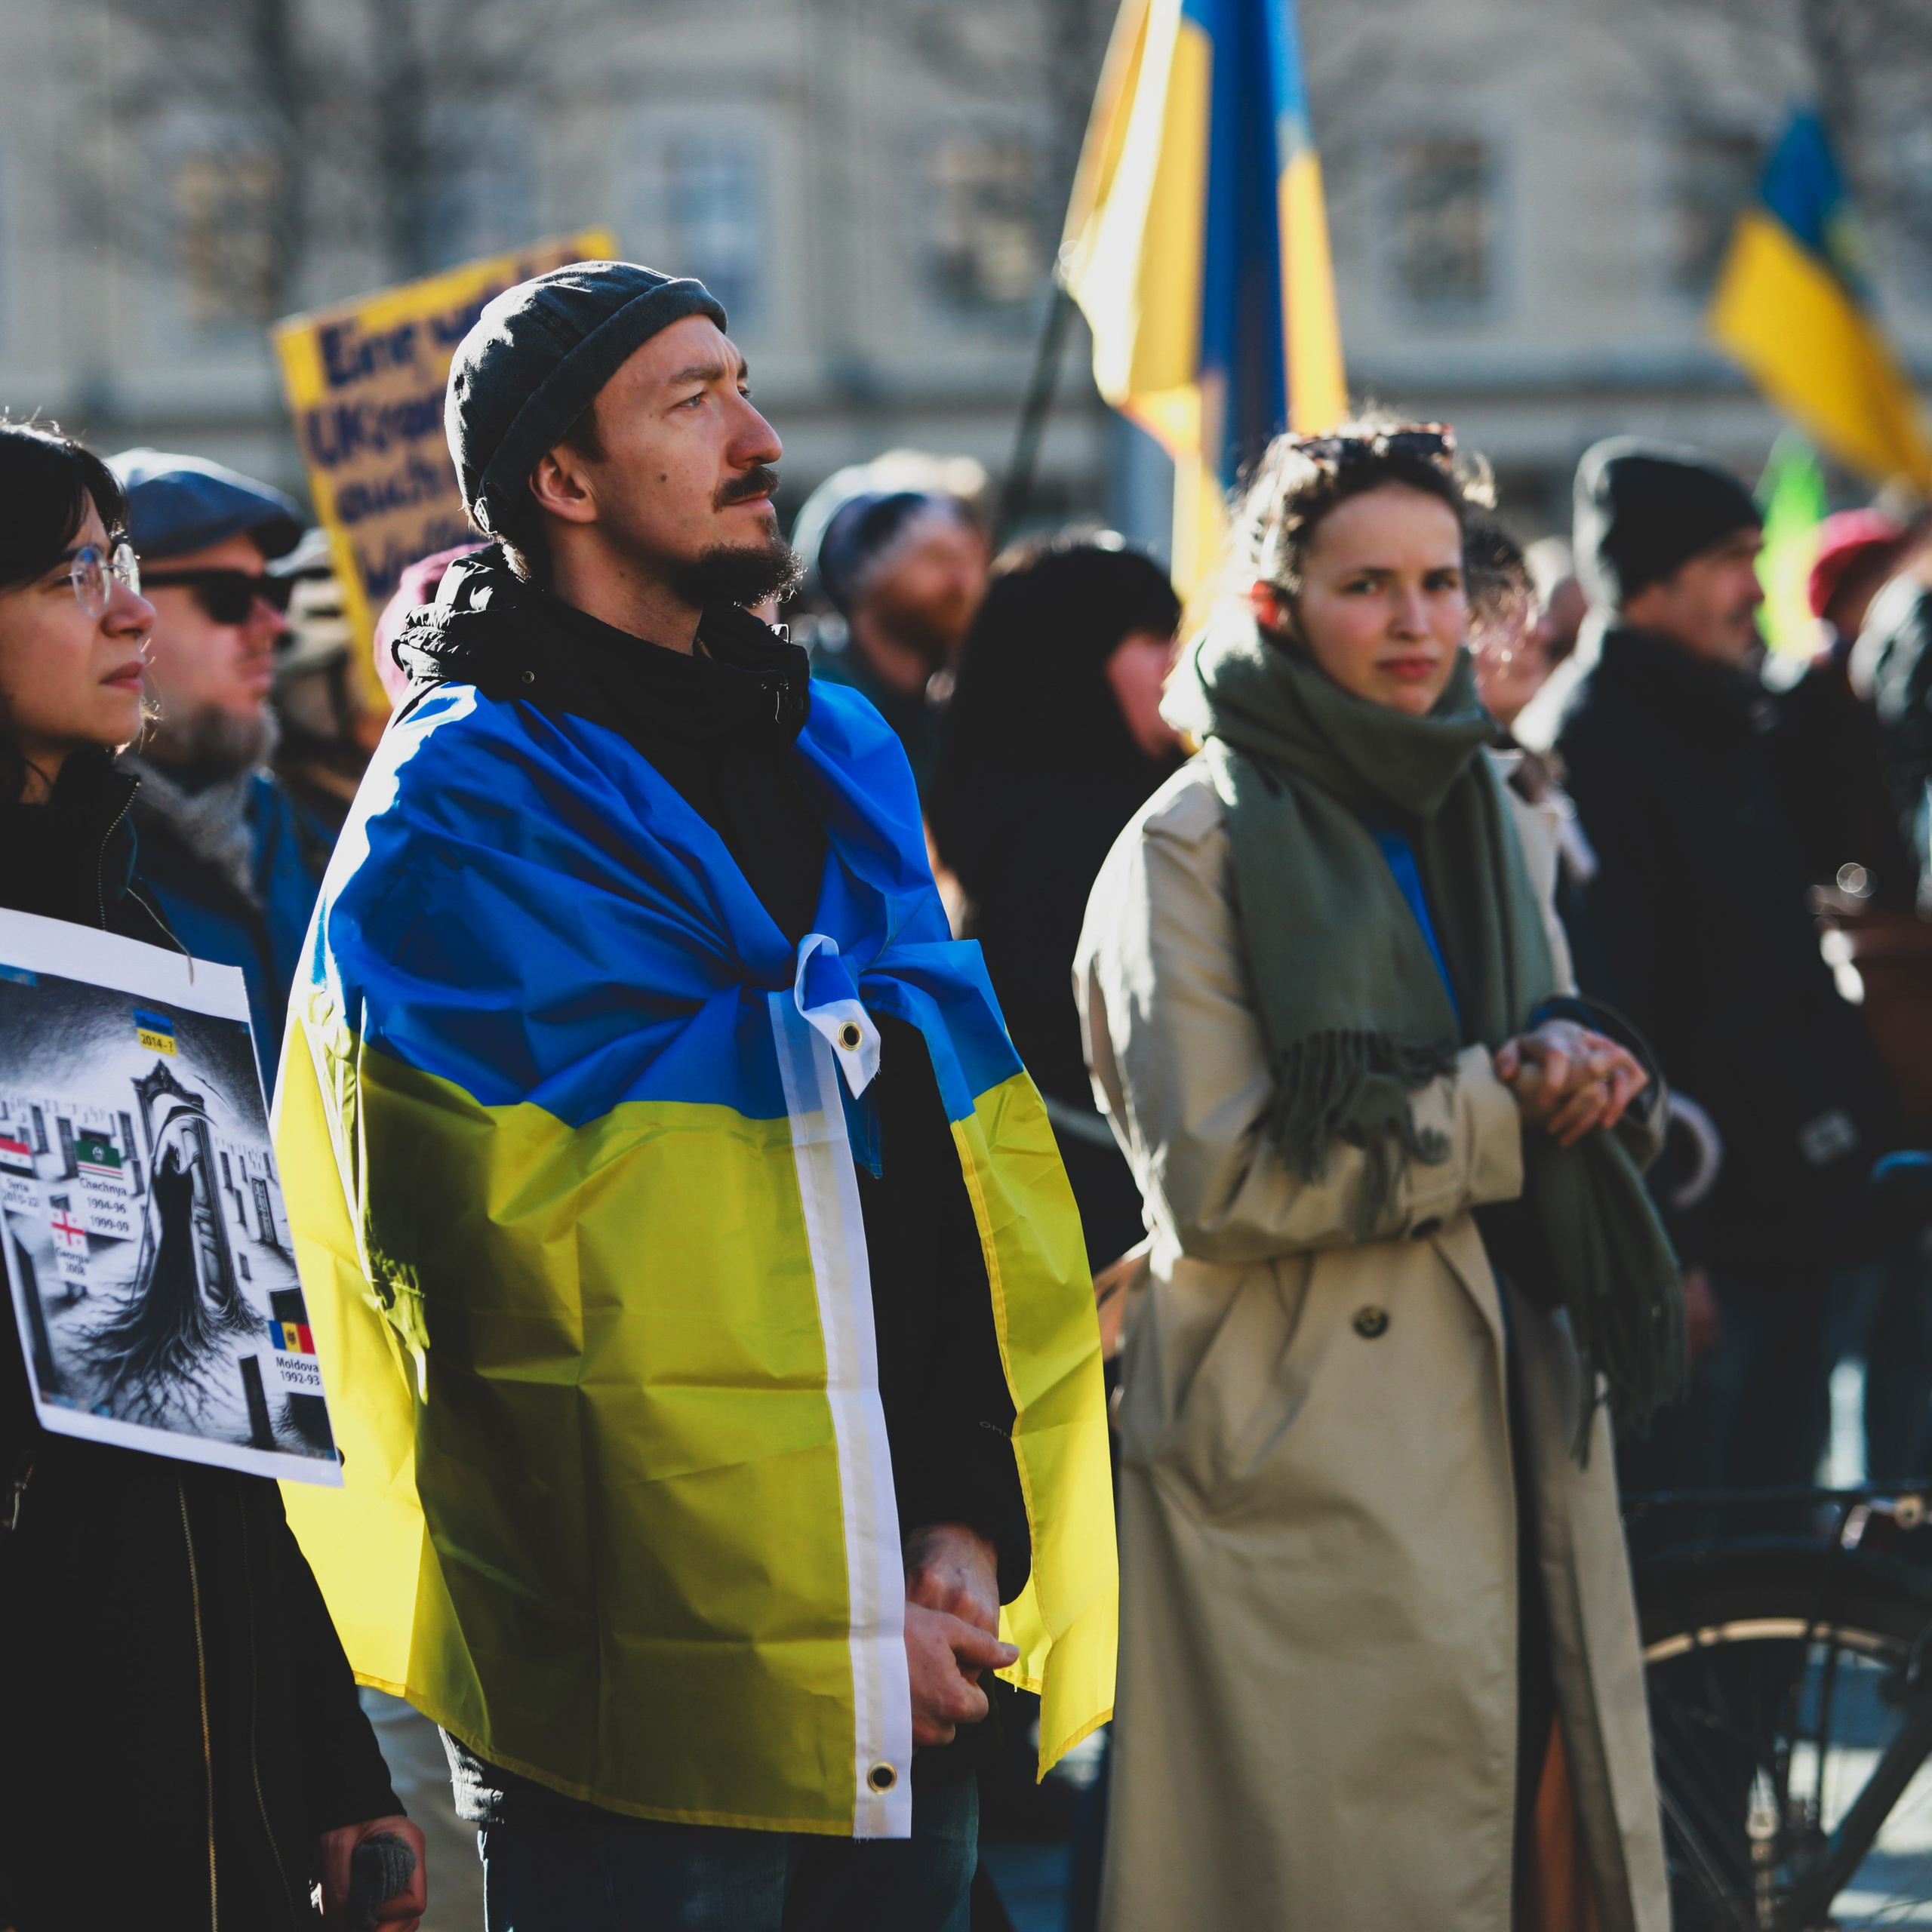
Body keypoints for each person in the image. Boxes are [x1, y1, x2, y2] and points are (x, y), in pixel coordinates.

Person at [272, 261, 1115, 1931]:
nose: (759, 435)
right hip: (651, 1694)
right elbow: (520, 1304)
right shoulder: (458, 807)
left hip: (916, 1635)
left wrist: (955, 1524)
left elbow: (932, 1159)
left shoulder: (836, 748)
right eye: (691, 400)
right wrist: (830, 1601)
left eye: (740, 382)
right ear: (562, 481)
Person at [1075, 421, 1677, 1932]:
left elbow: (1537, 1029)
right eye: (1365, 585)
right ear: (1275, 605)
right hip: (1297, 1437)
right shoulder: (1190, 843)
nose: (1414, 622)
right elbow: (1212, 1174)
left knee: (1527, 1847)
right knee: (1336, 1879)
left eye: (1434, 581)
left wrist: (1590, 1071)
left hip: (1506, 1394)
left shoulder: (1487, 803)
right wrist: (1499, 1105)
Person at [0, 421, 423, 1932]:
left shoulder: (133, 945)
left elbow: (218, 1425)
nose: (128, 611)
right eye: (71, 571)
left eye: (123, 563)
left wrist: (330, 1763)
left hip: (191, 1768)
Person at [1558, 438, 1892, 1503]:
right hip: (1704, 1254)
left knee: (1785, 1564)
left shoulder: (1720, 716)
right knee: (1703, 1573)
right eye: (1728, 559)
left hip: (1794, 1219)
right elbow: (1617, 1013)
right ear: (1650, 579)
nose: (1755, 587)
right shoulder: (1594, 743)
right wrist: (1672, 1245)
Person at [931, 534, 1181, 1269]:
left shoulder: (991, 811)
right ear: (1072, 661)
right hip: (1101, 1221)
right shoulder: (1069, 841)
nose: (1178, 657)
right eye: (1152, 636)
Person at [108, 449, 334, 1084]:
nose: (273, 625)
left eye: (276, 590)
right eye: (229, 597)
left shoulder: (299, 833)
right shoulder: (58, 851)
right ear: (116, 606)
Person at [801, 488, 991, 793]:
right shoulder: (815, 713)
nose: (963, 583)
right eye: (937, 558)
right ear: (865, 577)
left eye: (970, 560)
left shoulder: (950, 711)